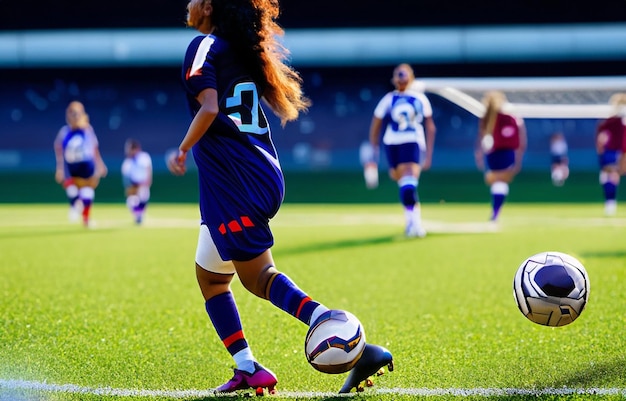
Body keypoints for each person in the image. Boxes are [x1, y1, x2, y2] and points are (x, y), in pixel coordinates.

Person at [167, 0, 393, 394]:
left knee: (258, 279)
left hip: (237, 180)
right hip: (246, 175)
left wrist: (182, 149)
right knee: (211, 278)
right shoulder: (236, 49)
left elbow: (208, 106)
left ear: (207, 7)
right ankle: (247, 368)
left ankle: (348, 338)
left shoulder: (204, 46)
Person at [367, 63, 436, 237]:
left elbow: (430, 127)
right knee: (403, 182)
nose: (401, 78)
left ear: (411, 78)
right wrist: (373, 146)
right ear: (394, 79)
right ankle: (411, 222)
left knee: (408, 180)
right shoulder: (389, 99)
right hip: (393, 143)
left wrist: (428, 154)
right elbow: (376, 123)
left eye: (404, 75)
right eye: (399, 75)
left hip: (412, 141)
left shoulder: (419, 99)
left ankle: (415, 225)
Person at [474, 91, 527, 221]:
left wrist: (479, 153)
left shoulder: (508, 118)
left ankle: (496, 211)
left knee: (498, 180)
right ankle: (496, 210)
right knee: (499, 180)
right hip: (500, 152)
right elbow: (522, 139)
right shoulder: (491, 119)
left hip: (498, 152)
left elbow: (481, 138)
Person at [54, 101, 107, 227]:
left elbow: (94, 148)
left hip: (86, 164)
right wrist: (59, 167)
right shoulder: (64, 132)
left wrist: (100, 164)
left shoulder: (87, 130)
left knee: (87, 191)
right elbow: (58, 148)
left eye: (77, 113)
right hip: (71, 165)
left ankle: (86, 219)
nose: (75, 116)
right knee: (71, 188)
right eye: (72, 114)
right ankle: (75, 204)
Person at [595, 92, 626, 216]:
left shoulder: (613, 122)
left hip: (617, 151)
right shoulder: (610, 122)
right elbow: (601, 136)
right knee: (609, 175)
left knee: (610, 175)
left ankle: (610, 202)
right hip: (613, 152)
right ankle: (610, 203)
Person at [121, 138, 152, 224]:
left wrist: (148, 181)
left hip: (143, 184)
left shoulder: (144, 157)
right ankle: (138, 215)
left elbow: (148, 169)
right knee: (131, 201)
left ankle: (140, 215)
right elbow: (126, 177)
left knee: (143, 199)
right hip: (133, 185)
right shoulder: (127, 162)